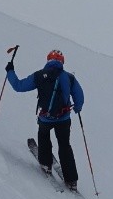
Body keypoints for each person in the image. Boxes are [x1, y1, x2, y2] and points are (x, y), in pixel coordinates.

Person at [6, 49, 85, 190]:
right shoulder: (69, 77)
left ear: (48, 60)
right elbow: (79, 96)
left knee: (43, 137)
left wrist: (10, 71)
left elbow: (18, 86)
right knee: (65, 145)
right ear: (62, 61)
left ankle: (46, 163)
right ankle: (71, 179)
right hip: (64, 118)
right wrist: (77, 108)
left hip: (45, 118)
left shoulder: (38, 75)